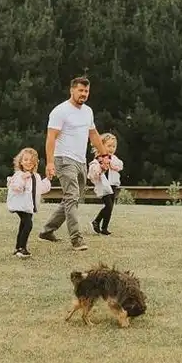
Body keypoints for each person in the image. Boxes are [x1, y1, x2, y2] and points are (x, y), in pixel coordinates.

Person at [39, 76, 105, 251]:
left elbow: (93, 134)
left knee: (72, 199)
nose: (83, 94)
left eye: (86, 91)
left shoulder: (88, 111)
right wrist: (50, 162)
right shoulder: (60, 111)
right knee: (72, 197)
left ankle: (47, 231)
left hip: (81, 161)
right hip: (63, 159)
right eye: (80, 90)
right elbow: (51, 138)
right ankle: (77, 239)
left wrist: (104, 154)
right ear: (72, 90)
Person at [6, 147, 51, 258]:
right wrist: (23, 179)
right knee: (28, 224)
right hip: (21, 205)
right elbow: (16, 188)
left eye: (32, 160)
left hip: (29, 206)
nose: (28, 162)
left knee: (23, 225)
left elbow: (41, 188)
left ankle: (18, 248)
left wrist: (48, 179)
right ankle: (22, 248)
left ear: (35, 163)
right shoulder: (18, 175)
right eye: (26, 160)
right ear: (20, 161)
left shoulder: (36, 176)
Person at [88, 132, 123, 236]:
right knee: (108, 205)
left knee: (110, 207)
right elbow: (92, 173)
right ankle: (97, 221)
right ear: (101, 146)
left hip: (113, 185)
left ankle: (104, 228)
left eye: (114, 146)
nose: (111, 149)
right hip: (104, 186)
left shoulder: (114, 158)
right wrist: (100, 169)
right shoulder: (97, 160)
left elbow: (120, 165)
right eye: (109, 146)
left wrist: (112, 165)